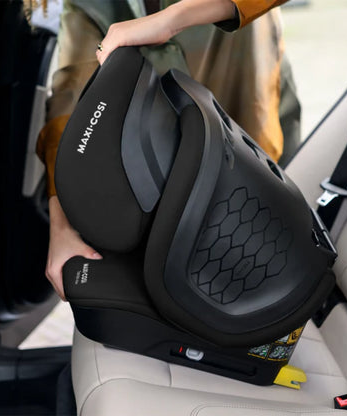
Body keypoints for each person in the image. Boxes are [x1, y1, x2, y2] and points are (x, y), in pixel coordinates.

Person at [36, 0, 299, 300]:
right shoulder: (86, 6)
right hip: (182, 182)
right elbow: (71, 103)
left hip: (260, 141)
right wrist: (62, 228)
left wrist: (171, 19)